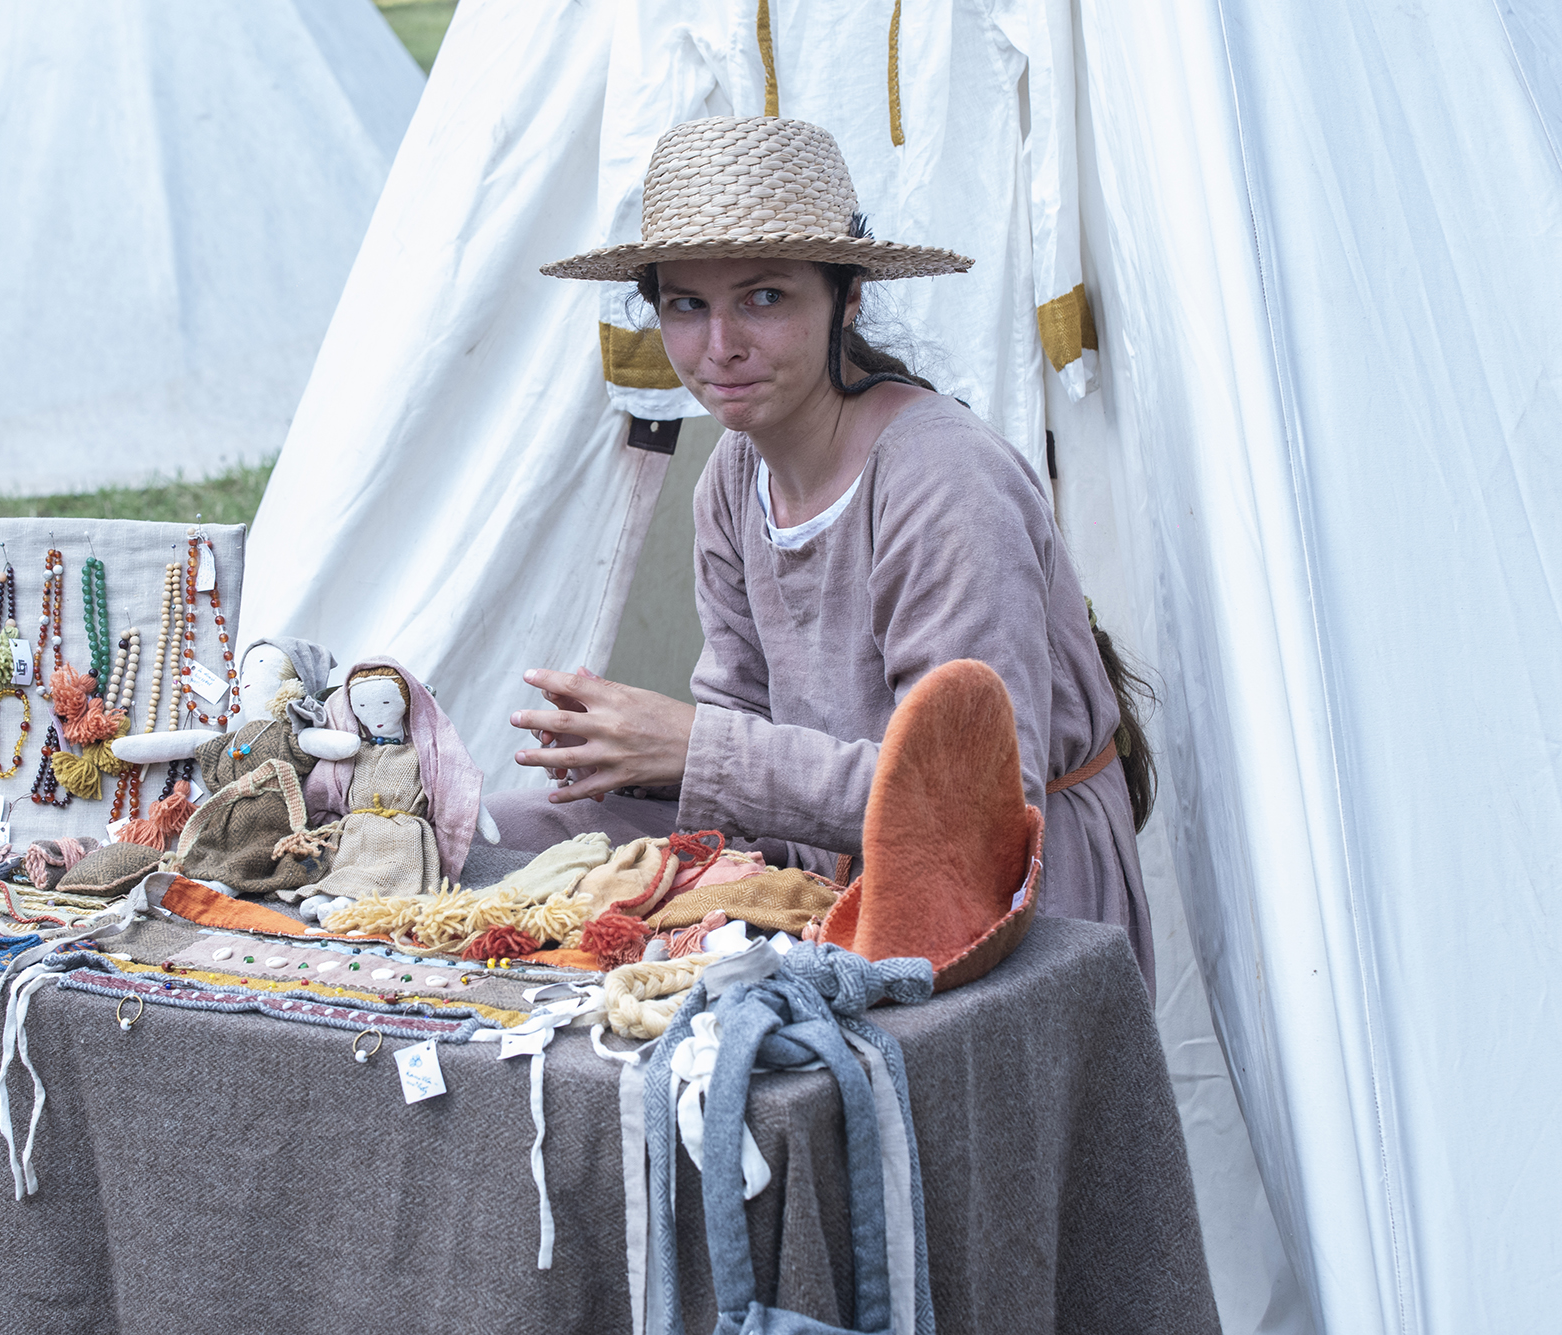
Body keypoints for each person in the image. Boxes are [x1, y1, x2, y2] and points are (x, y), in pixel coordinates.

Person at [489, 116, 1158, 992]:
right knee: (500, 833)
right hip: (834, 878)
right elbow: (737, 724)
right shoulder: (733, 480)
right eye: (686, 304)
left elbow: (974, 814)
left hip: (1014, 915)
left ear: (845, 297)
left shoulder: (942, 482)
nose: (719, 344)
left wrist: (695, 750)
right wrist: (627, 758)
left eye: (764, 297)